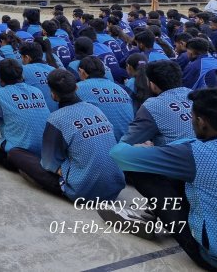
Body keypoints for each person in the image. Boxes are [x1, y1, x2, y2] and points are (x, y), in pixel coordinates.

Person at [106, 88, 217, 270]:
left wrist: (147, 151)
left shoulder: (194, 154)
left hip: (212, 258)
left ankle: (161, 214)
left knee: (140, 171)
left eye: (192, 118)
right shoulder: (193, 151)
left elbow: (118, 155)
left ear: (201, 122)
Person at [8, 69, 125, 202]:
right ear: (76, 87)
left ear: (53, 95)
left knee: (16, 154)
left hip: (82, 191)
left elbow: (48, 163)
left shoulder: (56, 119)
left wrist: (66, 171)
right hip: (113, 189)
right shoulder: (95, 109)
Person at [120, 60, 196, 146]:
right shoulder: (193, 93)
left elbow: (128, 141)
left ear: (153, 85)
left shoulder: (152, 105)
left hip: (179, 156)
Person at [75, 56, 133, 141]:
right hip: (130, 141)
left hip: (107, 143)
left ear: (81, 71)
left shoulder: (77, 88)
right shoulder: (120, 88)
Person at [19, 41, 59, 112]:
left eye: (22, 57)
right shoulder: (54, 70)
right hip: (58, 111)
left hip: (37, 112)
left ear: (27, 57)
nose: (21, 60)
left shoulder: (22, 70)